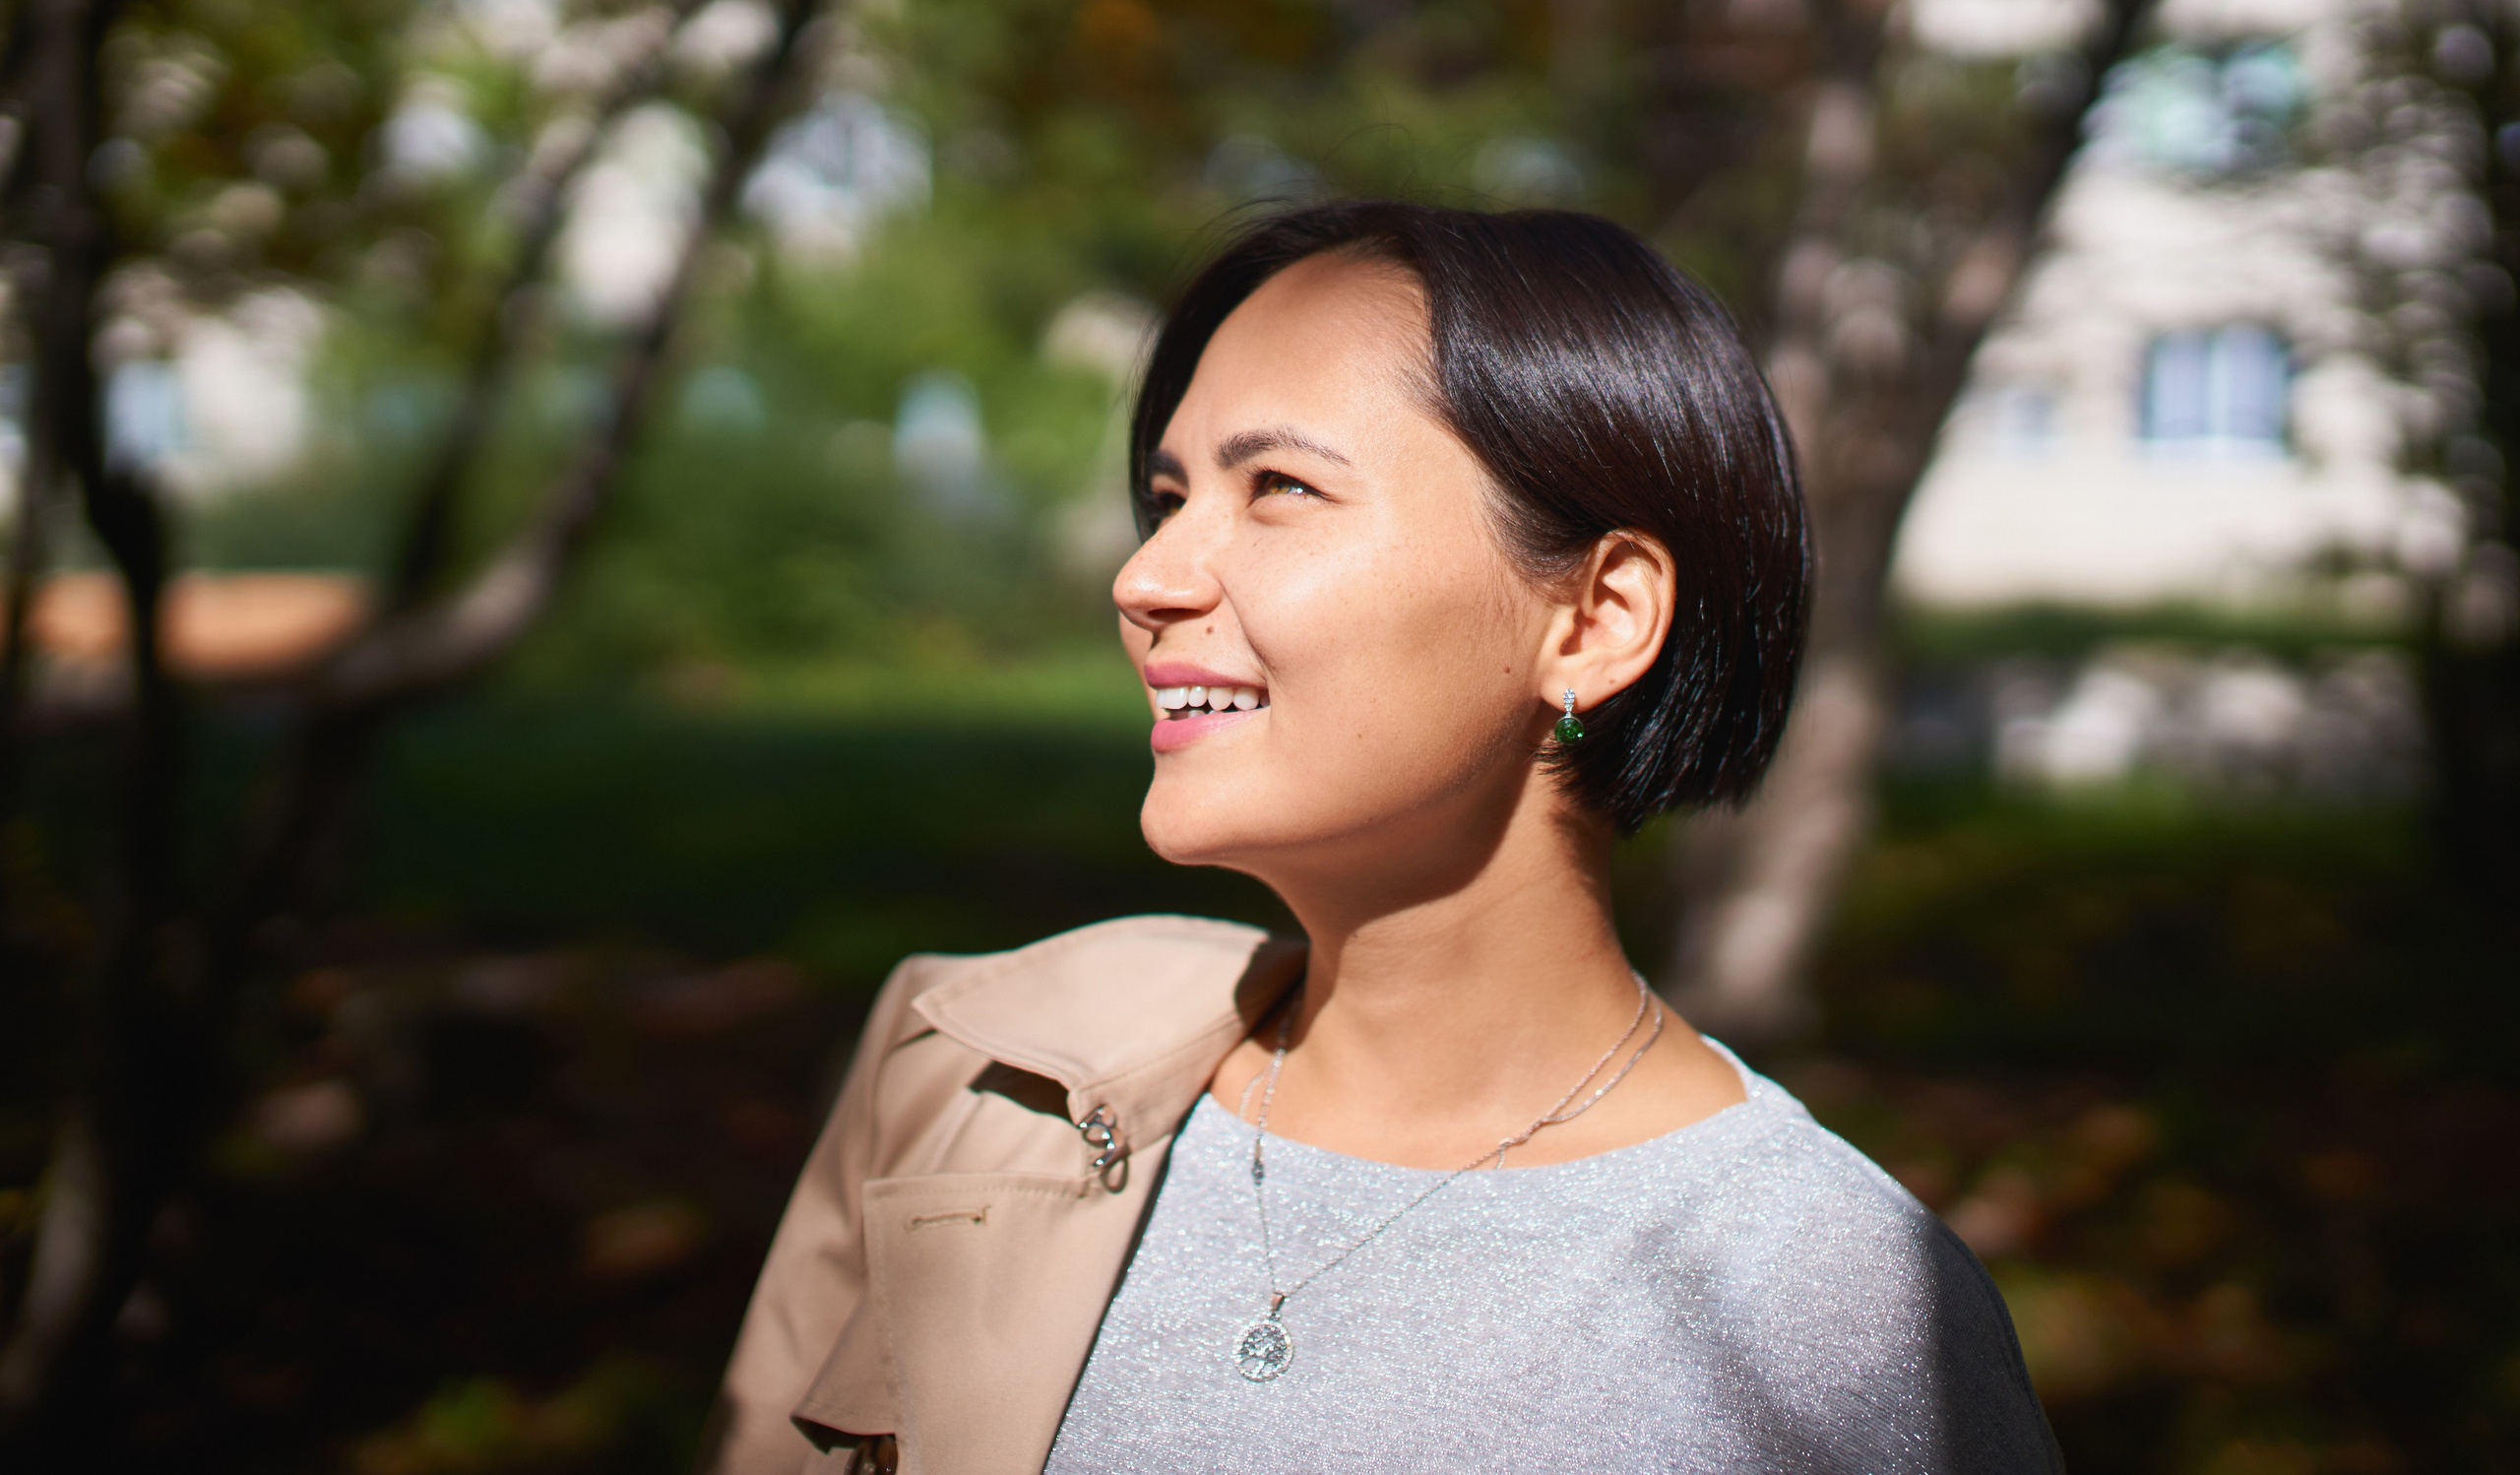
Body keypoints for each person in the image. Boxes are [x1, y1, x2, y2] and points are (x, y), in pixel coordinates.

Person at [700, 202, 2062, 1475]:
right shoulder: (981, 1074)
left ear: (1592, 621)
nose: (1146, 576)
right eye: (1169, 498)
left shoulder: (1844, 1311)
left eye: (1279, 488)